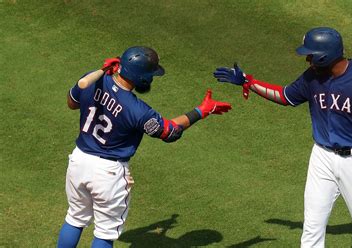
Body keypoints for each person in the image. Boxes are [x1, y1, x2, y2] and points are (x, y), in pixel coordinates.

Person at [213, 27, 352, 248]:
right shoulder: (312, 78)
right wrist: (249, 82)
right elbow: (285, 96)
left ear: (325, 55)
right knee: (312, 225)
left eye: (310, 54)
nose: (307, 59)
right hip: (322, 158)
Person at [57, 46, 232, 248]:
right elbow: (170, 132)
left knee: (75, 218)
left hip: (79, 161)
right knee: (105, 233)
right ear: (142, 78)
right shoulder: (138, 111)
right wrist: (200, 111)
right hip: (107, 175)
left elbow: (72, 102)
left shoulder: (92, 79)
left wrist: (103, 76)